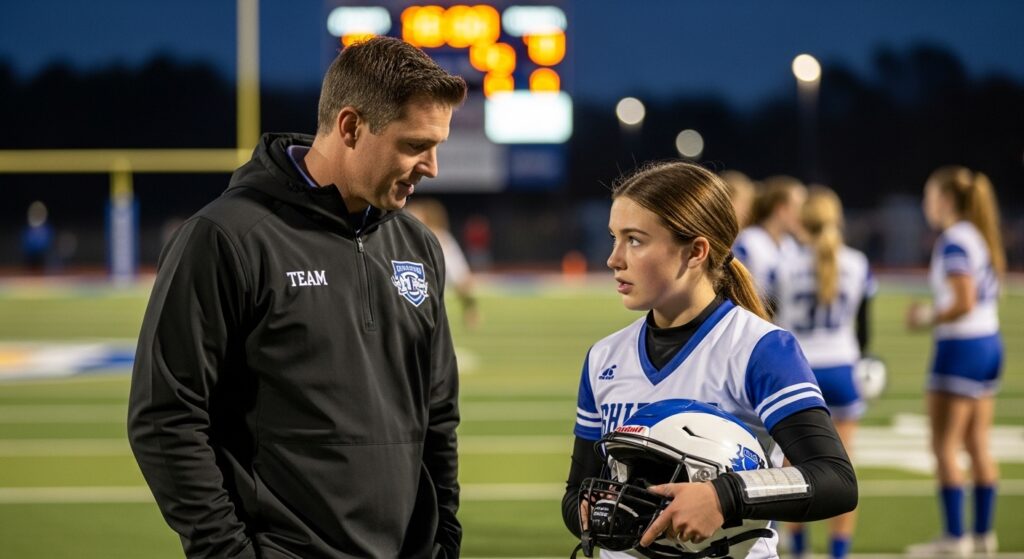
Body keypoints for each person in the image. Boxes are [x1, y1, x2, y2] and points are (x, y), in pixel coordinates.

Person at [128, 37, 468, 558]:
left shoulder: (416, 245)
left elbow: (437, 412)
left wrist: (443, 541)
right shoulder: (228, 237)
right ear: (351, 127)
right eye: (415, 145)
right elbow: (165, 416)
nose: (433, 166)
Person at [562, 161, 858, 559]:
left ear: (696, 251)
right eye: (614, 237)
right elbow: (577, 491)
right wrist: (589, 513)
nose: (614, 259)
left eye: (634, 240)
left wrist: (724, 497)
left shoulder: (759, 348)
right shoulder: (604, 358)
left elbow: (835, 479)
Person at [905, 166, 1006, 558]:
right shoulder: (979, 234)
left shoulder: (954, 241)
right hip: (989, 342)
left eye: (930, 195)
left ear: (946, 200)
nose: (926, 203)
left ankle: (956, 537)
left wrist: (926, 317)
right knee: (978, 443)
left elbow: (963, 300)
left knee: (945, 446)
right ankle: (983, 535)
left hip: (962, 347)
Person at [773, 186, 876, 559]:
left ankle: (798, 551)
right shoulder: (858, 262)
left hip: (798, 372)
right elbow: (864, 330)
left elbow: (768, 322)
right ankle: (838, 553)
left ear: (802, 222)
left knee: (792, 471)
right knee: (844, 471)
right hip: (842, 369)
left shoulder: (783, 264)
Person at [732, 175, 807, 313]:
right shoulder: (748, 243)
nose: (803, 214)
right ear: (781, 209)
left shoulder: (790, 246)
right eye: (798, 207)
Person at [405, 197, 480, 329]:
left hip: (425, 301)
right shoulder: (403, 237)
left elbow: (460, 277)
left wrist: (470, 308)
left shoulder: (441, 240)